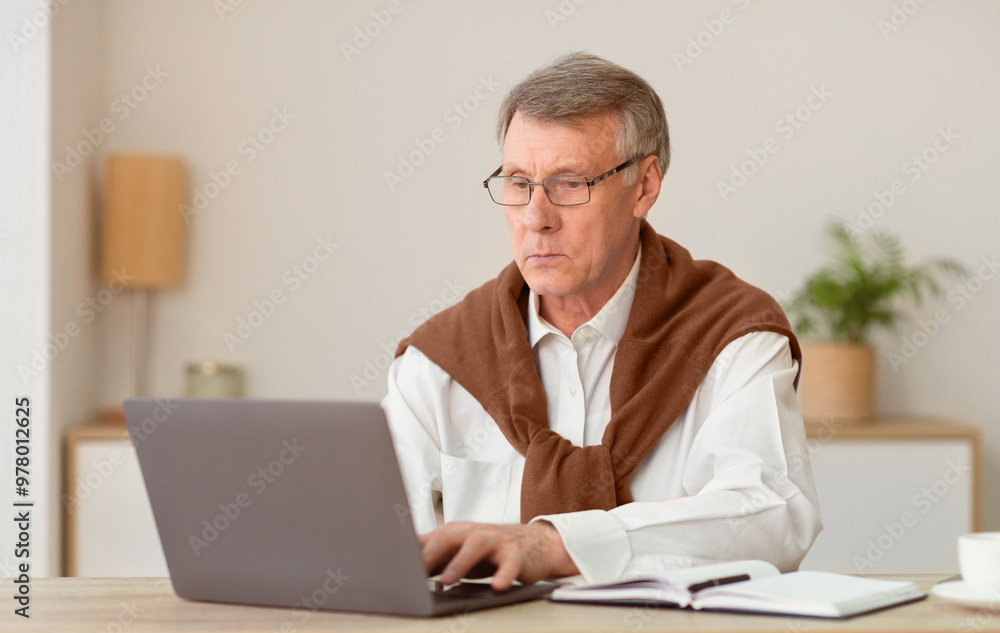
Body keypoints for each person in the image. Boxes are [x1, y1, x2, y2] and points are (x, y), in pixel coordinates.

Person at [381, 52, 822, 591]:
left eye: (569, 183)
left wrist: (555, 545)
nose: (535, 218)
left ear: (644, 187)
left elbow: (772, 512)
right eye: (518, 183)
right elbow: (380, 553)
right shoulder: (438, 361)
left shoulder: (732, 335)